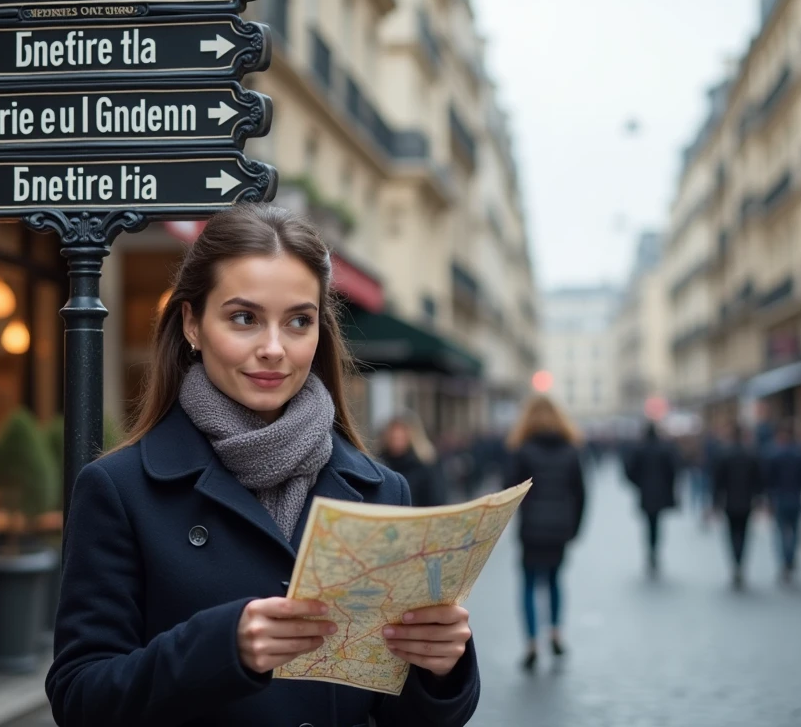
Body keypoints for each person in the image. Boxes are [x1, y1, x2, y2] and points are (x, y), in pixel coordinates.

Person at [46, 206, 479, 727]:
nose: (274, 349)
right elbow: (80, 699)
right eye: (244, 318)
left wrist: (441, 668)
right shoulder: (119, 490)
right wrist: (221, 648)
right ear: (192, 325)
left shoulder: (382, 490)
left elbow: (407, 716)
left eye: (299, 321)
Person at [504, 396, 587, 672]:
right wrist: (574, 528)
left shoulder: (523, 450)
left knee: (528, 583)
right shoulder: (570, 450)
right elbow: (581, 494)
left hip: (531, 528)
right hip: (560, 528)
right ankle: (555, 633)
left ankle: (531, 643)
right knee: (553, 580)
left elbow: (509, 491)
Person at [712, 425, 764, 591]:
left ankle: (736, 562)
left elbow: (718, 481)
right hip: (747, 501)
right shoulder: (751, 454)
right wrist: (759, 499)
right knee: (744, 533)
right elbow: (759, 480)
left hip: (730, 501)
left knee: (732, 533)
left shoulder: (724, 455)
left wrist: (715, 502)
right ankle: (740, 562)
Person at [624, 422, 679, 577]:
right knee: (657, 523)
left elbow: (629, 470)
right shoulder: (665, 449)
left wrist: (639, 484)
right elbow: (674, 470)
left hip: (646, 492)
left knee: (649, 523)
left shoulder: (639, 449)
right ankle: (654, 551)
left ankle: (651, 551)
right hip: (661, 493)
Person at [763, 419, 801, 583]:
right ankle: (790, 558)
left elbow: (768, 480)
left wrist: (768, 500)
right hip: (796, 497)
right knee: (795, 531)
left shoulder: (772, 453)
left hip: (779, 498)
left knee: (780, 532)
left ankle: (785, 561)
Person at [380, 413, 447, 507]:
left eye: (400, 436)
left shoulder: (425, 463)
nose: (396, 439)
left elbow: (436, 500)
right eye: (394, 436)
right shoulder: (381, 463)